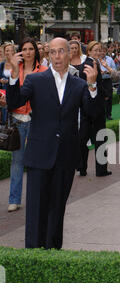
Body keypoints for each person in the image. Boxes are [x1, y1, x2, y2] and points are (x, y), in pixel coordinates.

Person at [6, 37, 100, 249]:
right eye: (53, 52)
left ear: (69, 54)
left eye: (61, 52)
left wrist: (93, 86)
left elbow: (92, 113)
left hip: (66, 155)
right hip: (40, 154)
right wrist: (13, 76)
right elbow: (14, 102)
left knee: (57, 209)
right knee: (36, 209)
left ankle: (53, 252)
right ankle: (33, 251)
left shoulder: (79, 84)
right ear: (48, 55)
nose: (57, 56)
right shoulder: (35, 80)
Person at [7, 38, 48, 213]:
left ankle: (36, 197)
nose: (28, 52)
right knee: (17, 161)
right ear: (20, 51)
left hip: (35, 120)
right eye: (24, 49)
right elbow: (11, 95)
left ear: (36, 51)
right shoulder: (16, 69)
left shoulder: (44, 71)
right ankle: (14, 199)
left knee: (36, 161)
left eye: (31, 48)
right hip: (17, 119)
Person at [77, 40, 111, 177]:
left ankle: (82, 167)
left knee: (84, 138)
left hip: (88, 106)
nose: (98, 52)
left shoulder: (92, 63)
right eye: (95, 50)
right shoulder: (89, 65)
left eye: (100, 50)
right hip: (93, 106)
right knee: (99, 138)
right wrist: (104, 95)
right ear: (89, 51)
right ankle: (100, 169)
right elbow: (89, 85)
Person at [99, 45, 116, 120]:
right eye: (101, 51)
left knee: (109, 97)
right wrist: (100, 73)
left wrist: (108, 71)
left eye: (104, 51)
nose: (102, 52)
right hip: (99, 80)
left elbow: (114, 70)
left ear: (106, 51)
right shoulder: (96, 59)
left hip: (107, 80)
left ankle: (108, 114)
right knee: (99, 98)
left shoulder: (109, 59)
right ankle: (100, 114)